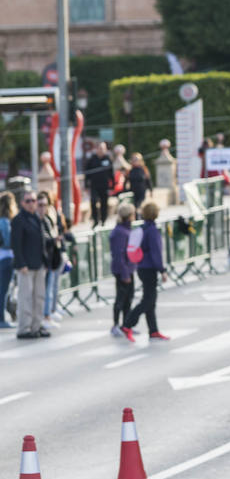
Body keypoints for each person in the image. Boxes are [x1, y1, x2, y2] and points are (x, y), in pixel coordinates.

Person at [124, 201, 171, 341]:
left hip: (142, 267)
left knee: (150, 300)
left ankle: (153, 330)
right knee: (148, 300)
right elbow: (156, 252)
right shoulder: (152, 231)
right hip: (150, 268)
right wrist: (162, 270)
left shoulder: (143, 228)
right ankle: (128, 324)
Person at [10, 191, 47, 339]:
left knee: (39, 297)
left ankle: (36, 326)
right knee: (25, 297)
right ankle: (24, 328)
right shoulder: (19, 220)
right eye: (28, 201)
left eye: (33, 200)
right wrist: (21, 263)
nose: (32, 203)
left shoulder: (37, 218)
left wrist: (45, 261)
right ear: (22, 203)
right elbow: (16, 244)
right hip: (25, 266)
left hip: (38, 264)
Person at [36, 192, 69, 329]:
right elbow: (43, 240)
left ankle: (49, 313)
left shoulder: (48, 219)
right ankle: (44, 316)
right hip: (40, 262)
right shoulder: (36, 220)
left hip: (50, 259)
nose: (43, 207)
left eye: (45, 204)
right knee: (43, 291)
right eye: (40, 205)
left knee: (50, 288)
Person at [109, 202, 137, 338]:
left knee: (128, 299)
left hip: (129, 268)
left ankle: (126, 324)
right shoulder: (120, 232)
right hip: (122, 270)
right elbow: (119, 254)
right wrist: (125, 273)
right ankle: (115, 324)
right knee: (121, 299)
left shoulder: (126, 229)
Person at [83, 140, 114, 227]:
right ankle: (95, 220)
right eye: (100, 148)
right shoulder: (92, 159)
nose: (101, 150)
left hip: (104, 186)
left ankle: (103, 220)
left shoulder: (108, 159)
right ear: (96, 149)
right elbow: (87, 173)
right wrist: (86, 185)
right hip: (94, 185)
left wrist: (112, 186)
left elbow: (111, 173)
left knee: (104, 203)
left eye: (103, 148)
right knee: (93, 202)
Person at [0, 191, 14, 330]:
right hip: (6, 257)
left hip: (2, 257)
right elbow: (8, 241)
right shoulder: (4, 221)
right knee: (3, 291)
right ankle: (1, 319)